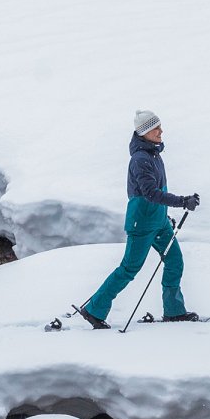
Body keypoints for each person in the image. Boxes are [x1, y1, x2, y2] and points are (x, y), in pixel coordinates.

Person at [73, 109, 202, 328]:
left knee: (174, 261)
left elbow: (157, 192)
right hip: (141, 223)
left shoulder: (154, 155)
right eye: (156, 128)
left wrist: (165, 215)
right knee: (129, 269)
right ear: (144, 132)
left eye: (160, 126)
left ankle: (174, 311)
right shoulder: (140, 159)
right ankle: (94, 310)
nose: (161, 131)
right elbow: (151, 193)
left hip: (158, 222)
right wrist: (182, 201)